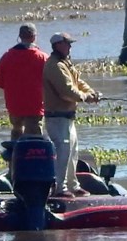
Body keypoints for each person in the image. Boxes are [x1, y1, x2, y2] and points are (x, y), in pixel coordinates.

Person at [42, 31, 101, 198]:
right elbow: (66, 91)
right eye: (67, 43)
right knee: (62, 153)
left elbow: (78, 82)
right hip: (56, 117)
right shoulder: (54, 65)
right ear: (58, 45)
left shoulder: (65, 63)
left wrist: (92, 93)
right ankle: (59, 188)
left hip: (67, 116)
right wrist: (85, 97)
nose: (70, 46)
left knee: (72, 152)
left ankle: (73, 186)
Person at [0, 22, 49, 141]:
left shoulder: (7, 57)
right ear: (34, 37)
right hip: (35, 106)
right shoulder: (43, 58)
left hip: (14, 105)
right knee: (34, 137)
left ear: (20, 37)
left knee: (16, 131)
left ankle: (15, 156)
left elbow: (0, 83)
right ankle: (33, 158)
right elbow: (50, 83)